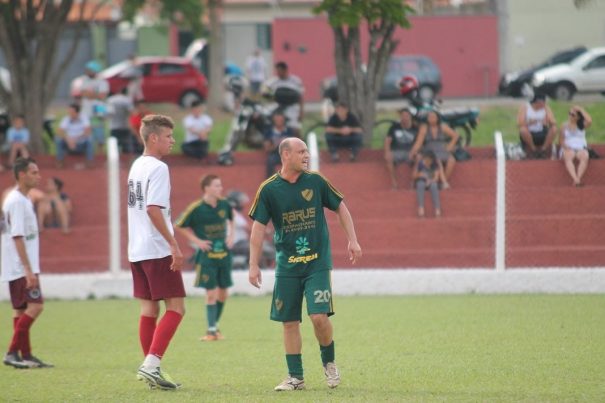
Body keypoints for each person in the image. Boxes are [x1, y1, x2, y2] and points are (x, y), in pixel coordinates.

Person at [248, 137, 362, 391]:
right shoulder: (268, 189)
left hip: (317, 263)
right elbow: (257, 228)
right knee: (289, 322)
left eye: (307, 151)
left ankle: (329, 363)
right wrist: (253, 264)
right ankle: (295, 378)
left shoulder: (316, 181)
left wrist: (353, 240)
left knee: (318, 317)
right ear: (285, 155)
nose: (306, 155)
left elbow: (341, 208)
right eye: (301, 152)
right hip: (287, 266)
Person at [127, 115, 185, 390]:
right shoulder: (159, 168)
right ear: (153, 138)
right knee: (176, 308)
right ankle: (151, 364)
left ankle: (151, 368)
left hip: (137, 248)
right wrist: (173, 244)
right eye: (168, 136)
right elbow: (153, 209)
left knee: (149, 309)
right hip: (156, 247)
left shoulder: (137, 166)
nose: (173, 141)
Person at [2, 157, 53, 369]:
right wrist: (27, 269)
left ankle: (26, 355)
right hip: (20, 266)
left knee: (20, 310)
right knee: (36, 306)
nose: (38, 176)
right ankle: (12, 352)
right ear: (21, 175)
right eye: (34, 173)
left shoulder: (23, 199)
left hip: (19, 265)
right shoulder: (16, 201)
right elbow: (17, 236)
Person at [175, 175, 234, 341]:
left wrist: (231, 236)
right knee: (211, 293)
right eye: (216, 186)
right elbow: (179, 225)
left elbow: (232, 219)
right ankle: (211, 331)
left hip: (224, 255)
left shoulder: (224, 204)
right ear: (206, 188)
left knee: (223, 293)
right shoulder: (196, 208)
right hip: (207, 258)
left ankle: (214, 326)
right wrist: (197, 241)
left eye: (220, 185)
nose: (220, 188)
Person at [411, 110, 458, 185]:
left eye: (433, 117)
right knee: (436, 159)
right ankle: (441, 182)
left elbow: (455, 136)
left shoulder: (443, 126)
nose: (431, 118)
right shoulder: (424, 127)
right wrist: (413, 151)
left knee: (451, 160)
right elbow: (419, 142)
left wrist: (450, 146)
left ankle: (443, 181)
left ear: (437, 118)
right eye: (429, 117)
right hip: (429, 150)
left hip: (441, 149)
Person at [264, 62, 304, 136]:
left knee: (295, 130)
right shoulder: (273, 81)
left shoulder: (295, 81)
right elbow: (264, 90)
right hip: (278, 107)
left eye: (280, 71)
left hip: (292, 107)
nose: (278, 73)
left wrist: (301, 112)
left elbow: (300, 97)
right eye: (277, 71)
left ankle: (300, 145)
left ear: (285, 70)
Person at [559, 106, 592, 187]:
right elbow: (561, 140)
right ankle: (576, 179)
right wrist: (565, 147)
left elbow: (589, 121)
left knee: (585, 156)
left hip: (580, 147)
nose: (570, 116)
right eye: (569, 113)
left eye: (573, 115)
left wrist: (581, 109)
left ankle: (578, 178)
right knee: (568, 156)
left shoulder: (582, 125)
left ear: (578, 117)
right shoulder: (564, 125)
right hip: (568, 147)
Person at [384, 108, 418, 189]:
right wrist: (387, 152)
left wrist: (414, 152)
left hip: (410, 152)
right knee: (389, 158)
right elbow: (387, 140)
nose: (404, 117)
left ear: (410, 117)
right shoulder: (394, 127)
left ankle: (413, 182)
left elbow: (419, 142)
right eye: (402, 115)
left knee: (419, 158)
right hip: (396, 151)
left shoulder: (415, 128)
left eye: (406, 115)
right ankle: (394, 182)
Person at [79, 60, 109, 148]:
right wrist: (95, 94)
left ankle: (100, 155)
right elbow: (84, 94)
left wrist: (90, 94)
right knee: (86, 134)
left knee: (100, 135)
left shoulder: (102, 82)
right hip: (86, 111)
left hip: (99, 110)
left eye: (90, 70)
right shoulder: (84, 80)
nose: (87, 72)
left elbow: (102, 96)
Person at [518, 93, 557, 159]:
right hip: (529, 131)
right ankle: (533, 149)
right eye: (542, 103)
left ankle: (543, 149)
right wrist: (529, 123)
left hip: (541, 131)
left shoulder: (545, 108)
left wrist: (547, 121)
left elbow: (553, 122)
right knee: (523, 130)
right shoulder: (525, 107)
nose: (544, 105)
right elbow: (520, 123)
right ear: (538, 102)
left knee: (554, 129)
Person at [55, 103, 94, 169]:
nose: (69, 113)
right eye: (69, 111)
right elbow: (59, 131)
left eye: (71, 112)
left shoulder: (84, 118)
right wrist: (69, 140)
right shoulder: (66, 119)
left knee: (90, 139)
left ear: (77, 112)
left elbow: (88, 131)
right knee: (58, 139)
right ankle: (60, 161)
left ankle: (89, 162)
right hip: (68, 143)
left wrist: (75, 139)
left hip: (81, 143)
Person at [413, 150, 446, 218]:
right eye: (425, 160)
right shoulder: (420, 164)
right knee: (420, 184)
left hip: (431, 181)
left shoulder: (435, 165)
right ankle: (421, 208)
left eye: (428, 160)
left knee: (434, 186)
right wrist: (419, 175)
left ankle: (437, 209)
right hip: (421, 180)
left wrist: (430, 181)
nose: (427, 162)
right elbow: (413, 176)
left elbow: (436, 178)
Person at [264, 112, 295, 177]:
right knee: (270, 160)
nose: (279, 121)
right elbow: (267, 148)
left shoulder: (289, 131)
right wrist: (276, 144)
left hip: (288, 154)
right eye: (277, 120)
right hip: (275, 154)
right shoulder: (269, 132)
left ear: (284, 120)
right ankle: (271, 181)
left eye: (280, 120)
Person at [107, 87, 135, 153]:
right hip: (125, 126)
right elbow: (132, 112)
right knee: (126, 148)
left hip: (113, 127)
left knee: (114, 149)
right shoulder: (127, 100)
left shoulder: (110, 99)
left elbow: (108, 113)